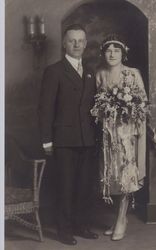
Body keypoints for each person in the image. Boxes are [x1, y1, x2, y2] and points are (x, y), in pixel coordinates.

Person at [39, 24, 98, 245]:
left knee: (84, 185)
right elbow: (44, 109)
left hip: (87, 138)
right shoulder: (54, 71)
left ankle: (81, 225)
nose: (77, 45)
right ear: (64, 43)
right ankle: (64, 230)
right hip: (63, 140)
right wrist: (47, 141)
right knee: (65, 186)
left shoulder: (91, 71)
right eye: (72, 40)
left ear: (85, 43)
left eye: (81, 41)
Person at [91, 34, 148, 241]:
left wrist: (127, 109)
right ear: (103, 53)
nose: (112, 54)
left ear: (123, 53)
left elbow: (142, 104)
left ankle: (122, 219)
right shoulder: (100, 74)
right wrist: (104, 110)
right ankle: (117, 217)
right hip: (107, 135)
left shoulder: (132, 74)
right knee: (112, 177)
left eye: (116, 50)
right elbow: (95, 105)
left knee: (125, 175)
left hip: (126, 135)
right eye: (108, 50)